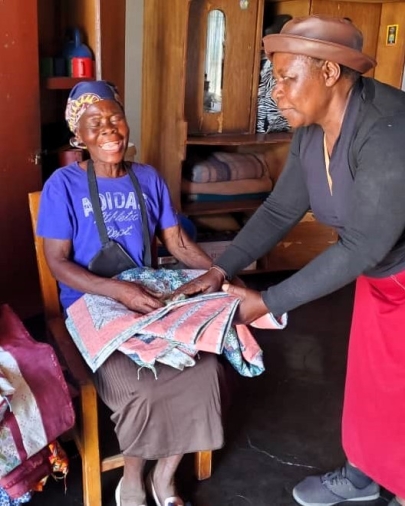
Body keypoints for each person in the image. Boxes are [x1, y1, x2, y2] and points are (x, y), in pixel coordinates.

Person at [173, 15, 405, 506]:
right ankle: (365, 475)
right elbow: (280, 209)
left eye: (286, 78)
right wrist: (221, 268)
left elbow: (363, 243)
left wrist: (269, 300)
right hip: (381, 277)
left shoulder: (389, 129)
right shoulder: (311, 130)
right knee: (373, 387)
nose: (275, 92)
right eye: (273, 78)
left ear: (327, 72)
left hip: (393, 267)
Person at [36, 80, 229, 506]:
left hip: (150, 296)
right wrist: (117, 291)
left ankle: (164, 477)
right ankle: (132, 479)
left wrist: (221, 270)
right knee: (141, 386)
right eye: (94, 124)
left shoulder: (147, 177)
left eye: (114, 118)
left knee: (205, 370)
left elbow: (177, 244)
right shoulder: (62, 186)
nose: (108, 130)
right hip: (92, 303)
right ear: (79, 136)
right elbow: (57, 262)